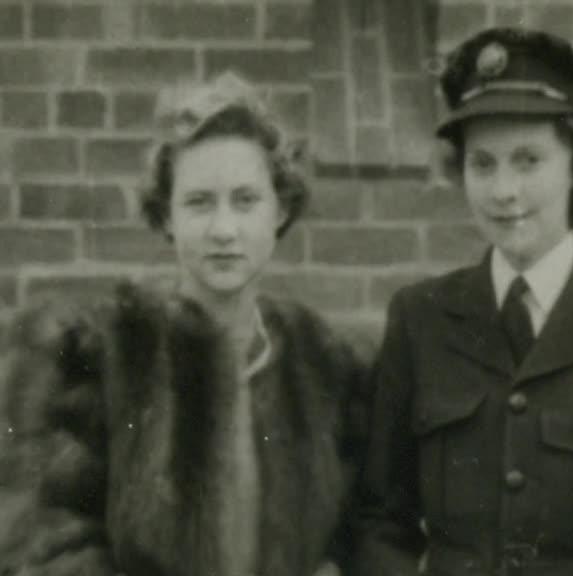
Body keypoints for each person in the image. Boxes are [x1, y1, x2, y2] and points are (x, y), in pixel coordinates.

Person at [352, 28, 573, 576]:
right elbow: (379, 523)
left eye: (528, 161)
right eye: (483, 163)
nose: (504, 191)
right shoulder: (420, 319)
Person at [0, 72, 367, 576]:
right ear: (166, 216)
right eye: (199, 202)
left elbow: (365, 529)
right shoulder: (102, 355)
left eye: (245, 200)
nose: (224, 229)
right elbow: (46, 544)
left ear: (279, 210)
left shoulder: (324, 364)